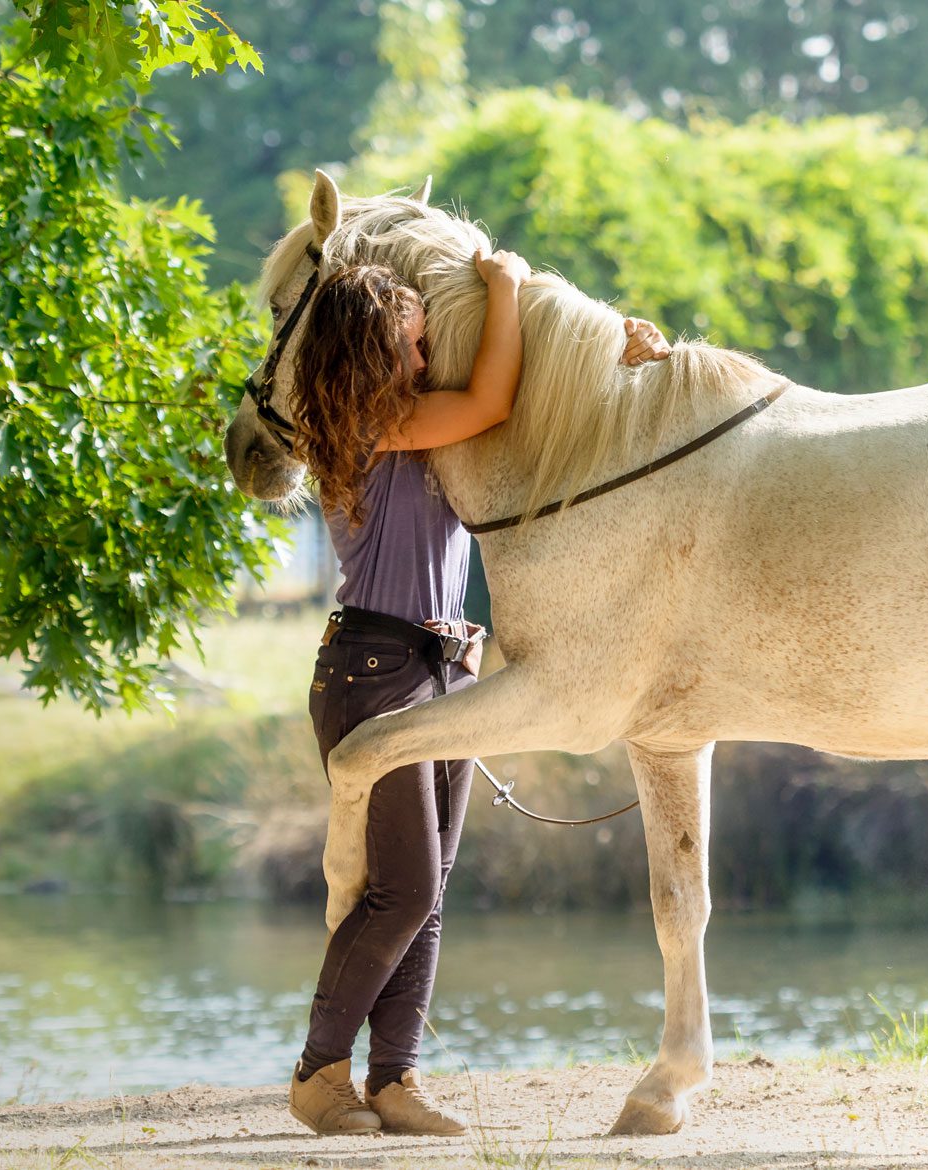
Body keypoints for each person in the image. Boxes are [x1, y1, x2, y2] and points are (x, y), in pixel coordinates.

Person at [282, 248, 670, 1136]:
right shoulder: (366, 424)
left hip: (445, 666)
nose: (425, 362)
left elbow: (520, 415)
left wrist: (616, 354)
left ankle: (394, 1080)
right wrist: (504, 288)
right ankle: (318, 1073)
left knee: (428, 887)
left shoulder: (426, 425)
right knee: (405, 890)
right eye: (415, 347)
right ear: (374, 353)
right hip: (375, 668)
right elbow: (492, 398)